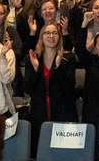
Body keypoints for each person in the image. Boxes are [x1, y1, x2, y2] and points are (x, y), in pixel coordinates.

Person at [24, 22, 77, 154]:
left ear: (59, 37)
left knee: (62, 153)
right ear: (41, 37)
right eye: (47, 33)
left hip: (63, 112)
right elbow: (28, 89)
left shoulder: (68, 58)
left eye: (55, 33)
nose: (51, 36)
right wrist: (36, 69)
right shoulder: (33, 58)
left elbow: (70, 89)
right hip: (39, 111)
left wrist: (58, 67)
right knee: (41, 151)